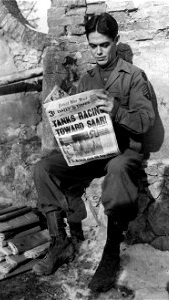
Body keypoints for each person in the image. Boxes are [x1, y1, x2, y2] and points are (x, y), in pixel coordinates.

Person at [33, 12, 156, 293]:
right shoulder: (88, 79)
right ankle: (59, 242)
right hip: (92, 150)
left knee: (118, 169)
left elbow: (145, 122)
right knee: (44, 168)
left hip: (123, 152)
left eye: (104, 45)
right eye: (93, 46)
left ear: (116, 41)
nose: (98, 51)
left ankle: (111, 254)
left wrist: (117, 110)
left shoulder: (133, 77)